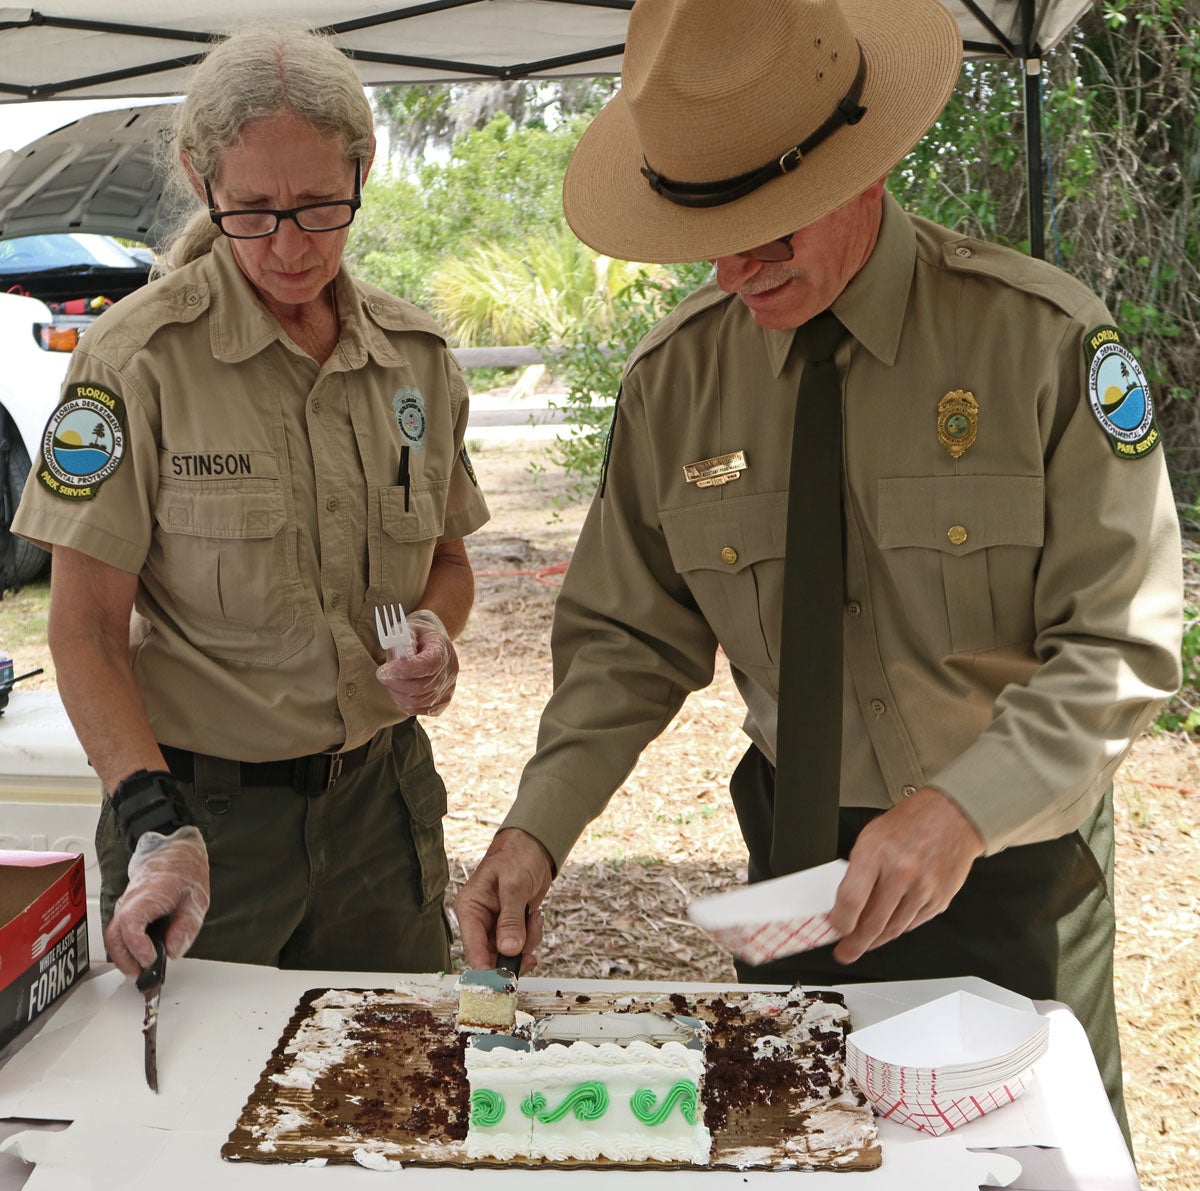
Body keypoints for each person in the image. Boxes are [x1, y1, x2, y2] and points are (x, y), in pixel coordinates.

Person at [454, 0, 1184, 1144]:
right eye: (710, 228)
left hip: (1010, 867)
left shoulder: (1036, 342)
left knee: (1028, 1159)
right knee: (800, 1148)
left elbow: (1121, 647)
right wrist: (533, 831)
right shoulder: (679, 381)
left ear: (863, 170)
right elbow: (626, 645)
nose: (740, 269)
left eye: (775, 226)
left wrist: (957, 811)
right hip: (797, 871)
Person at [13, 25, 489, 977]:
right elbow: (87, 631)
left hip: (379, 812)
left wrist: (435, 632)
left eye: (319, 206)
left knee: (387, 1089)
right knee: (190, 1109)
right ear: (201, 180)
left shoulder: (418, 361)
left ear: (363, 169)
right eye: (254, 210)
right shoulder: (133, 363)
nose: (289, 245)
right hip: (202, 824)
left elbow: (446, 560)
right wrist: (153, 822)